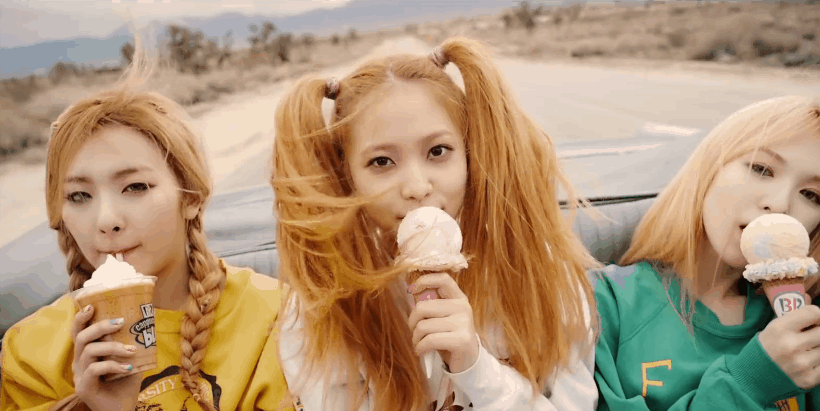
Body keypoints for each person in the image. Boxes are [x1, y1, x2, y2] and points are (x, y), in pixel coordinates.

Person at [271, 37, 600, 410]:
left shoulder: (543, 270)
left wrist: (475, 366)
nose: (416, 187)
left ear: (470, 154)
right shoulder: (318, 311)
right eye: (381, 162)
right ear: (346, 176)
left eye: (437, 151)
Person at [0, 47, 292, 411]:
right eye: (79, 195)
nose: (106, 220)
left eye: (135, 187)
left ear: (191, 197)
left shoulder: (275, 319)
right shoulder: (30, 354)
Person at [593, 95, 820, 410]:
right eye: (761, 168)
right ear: (710, 168)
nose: (780, 204)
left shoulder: (806, 322)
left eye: (811, 194)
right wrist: (751, 382)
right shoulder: (603, 305)